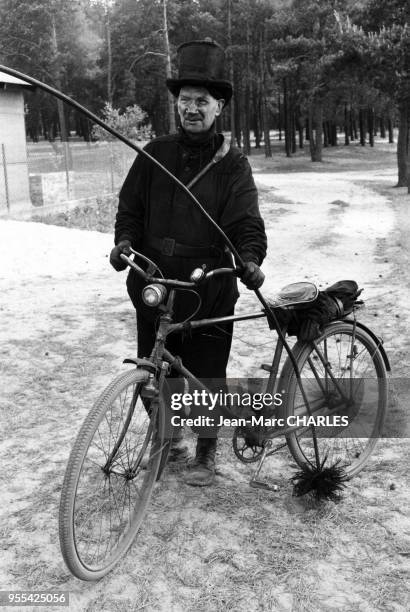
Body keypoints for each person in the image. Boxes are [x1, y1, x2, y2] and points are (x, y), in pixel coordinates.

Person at [110, 39, 267, 486]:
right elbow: (130, 208)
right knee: (151, 371)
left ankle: (205, 450)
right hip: (155, 283)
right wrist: (124, 242)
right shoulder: (154, 155)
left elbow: (246, 225)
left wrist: (250, 259)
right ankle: (167, 439)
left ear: (219, 107)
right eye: (184, 101)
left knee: (204, 375)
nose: (191, 109)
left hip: (209, 288)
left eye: (202, 101)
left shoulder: (232, 165)